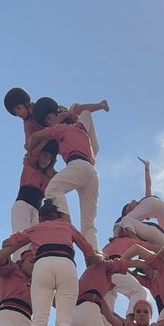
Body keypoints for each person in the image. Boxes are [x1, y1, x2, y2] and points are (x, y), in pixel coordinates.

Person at [5, 199, 100, 326]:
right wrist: (100, 259)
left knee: (39, 318)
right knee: (64, 319)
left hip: (42, 265)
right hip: (66, 265)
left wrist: (13, 243)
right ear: (58, 216)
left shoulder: (35, 228)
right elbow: (90, 252)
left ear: (41, 218)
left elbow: (7, 243)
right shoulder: (67, 227)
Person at [27, 97, 110, 249]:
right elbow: (84, 113)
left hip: (79, 164)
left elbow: (34, 136)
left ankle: (67, 228)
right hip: (91, 172)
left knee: (52, 189)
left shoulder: (61, 129)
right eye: (46, 121)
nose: (49, 122)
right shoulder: (77, 127)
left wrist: (29, 148)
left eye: (49, 118)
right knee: (88, 224)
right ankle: (94, 255)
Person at [113, 157, 164, 250]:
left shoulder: (137, 206)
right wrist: (147, 169)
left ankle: (115, 238)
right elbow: (148, 187)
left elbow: (131, 207)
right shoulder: (143, 210)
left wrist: (115, 237)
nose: (131, 207)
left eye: (129, 208)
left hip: (152, 202)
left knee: (123, 221)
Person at [10, 139, 59, 233]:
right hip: (23, 205)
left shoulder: (49, 177)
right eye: (45, 155)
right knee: (23, 236)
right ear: (39, 155)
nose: (46, 160)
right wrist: (48, 136)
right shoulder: (30, 165)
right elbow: (33, 152)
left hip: (36, 211)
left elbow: (65, 178)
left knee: (35, 238)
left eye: (49, 158)